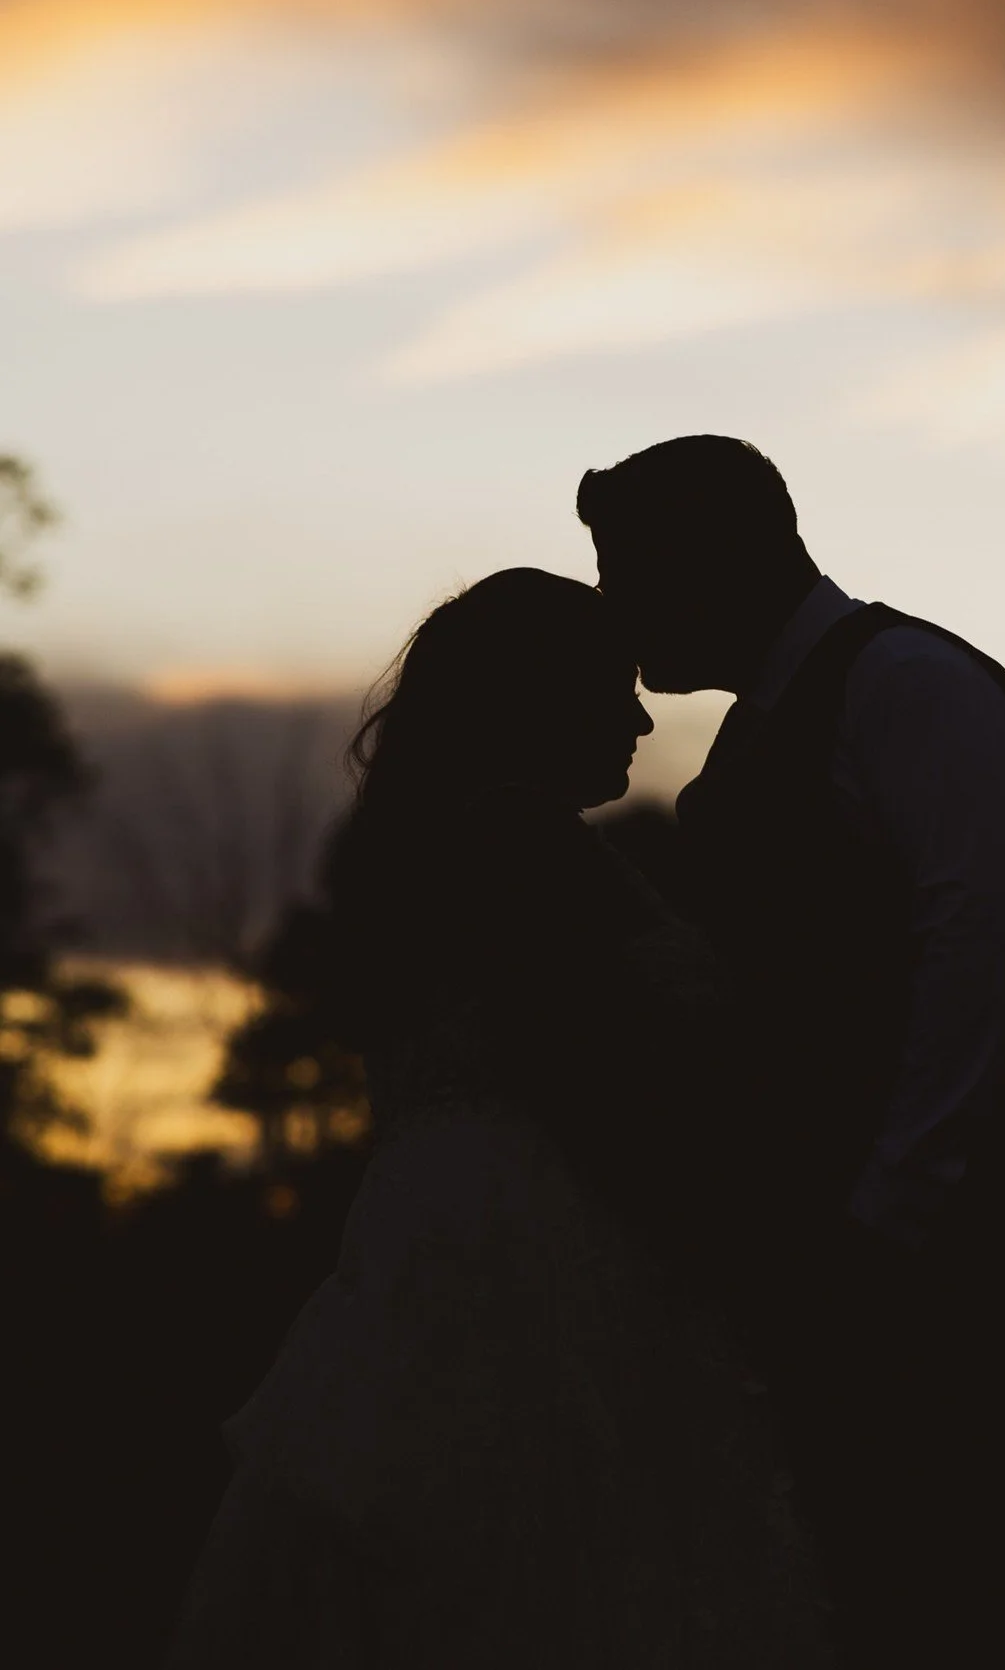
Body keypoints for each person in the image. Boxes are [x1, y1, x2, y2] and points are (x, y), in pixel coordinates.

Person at [167, 569, 831, 1669]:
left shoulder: (424, 849)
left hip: (424, 1226)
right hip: (543, 1241)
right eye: (614, 691)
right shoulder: (524, 844)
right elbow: (597, 1075)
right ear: (540, 701)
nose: (639, 720)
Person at [577, 437, 1005, 1660]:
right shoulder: (758, 737)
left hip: (992, 1239)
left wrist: (894, 1203)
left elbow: (977, 947)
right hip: (852, 1243)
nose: (615, 610)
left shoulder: (912, 685)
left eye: (629, 573)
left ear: (715, 563)